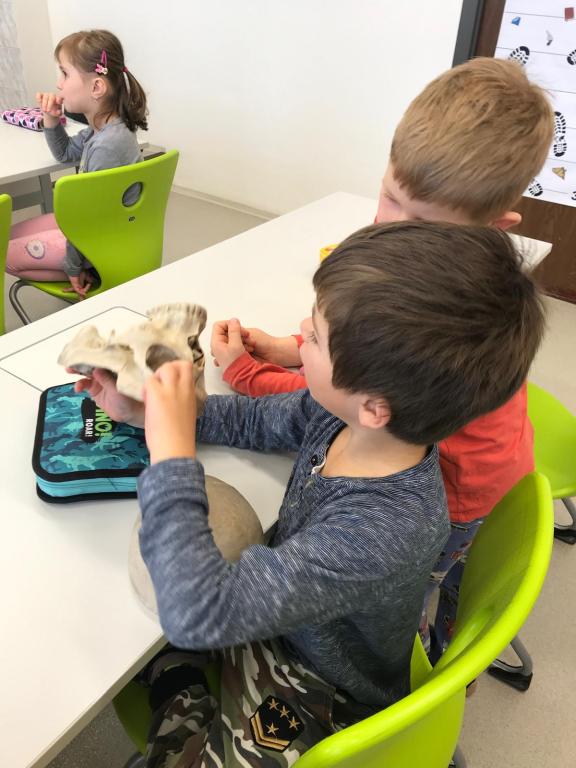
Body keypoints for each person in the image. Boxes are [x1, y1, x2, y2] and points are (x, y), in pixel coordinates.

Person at [73, 222, 545, 766]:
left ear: (374, 405)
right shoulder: (351, 419)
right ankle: (185, 685)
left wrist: (171, 452)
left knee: (161, 666)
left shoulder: (380, 530)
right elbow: (253, 420)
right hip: (292, 624)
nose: (301, 330)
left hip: (319, 689)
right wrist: (149, 412)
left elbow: (195, 614)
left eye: (316, 337)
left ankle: (184, 692)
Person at [210, 56, 555, 659]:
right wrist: (294, 348)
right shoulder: (469, 278)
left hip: (457, 494)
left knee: (405, 599)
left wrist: (246, 373)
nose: (390, 226)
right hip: (487, 463)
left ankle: (437, 658)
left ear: (492, 227)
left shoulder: (441, 324)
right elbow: (360, 366)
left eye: (420, 221)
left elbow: (340, 399)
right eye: (390, 197)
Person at [6, 29, 148, 298]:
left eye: (64, 74)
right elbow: (66, 153)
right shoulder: (106, 128)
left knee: (4, 253)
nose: (59, 84)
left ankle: (92, 274)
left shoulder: (107, 146)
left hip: (98, 240)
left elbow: (88, 219)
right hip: (101, 229)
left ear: (96, 87)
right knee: (6, 235)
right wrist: (51, 119)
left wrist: (73, 265)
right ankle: (85, 267)